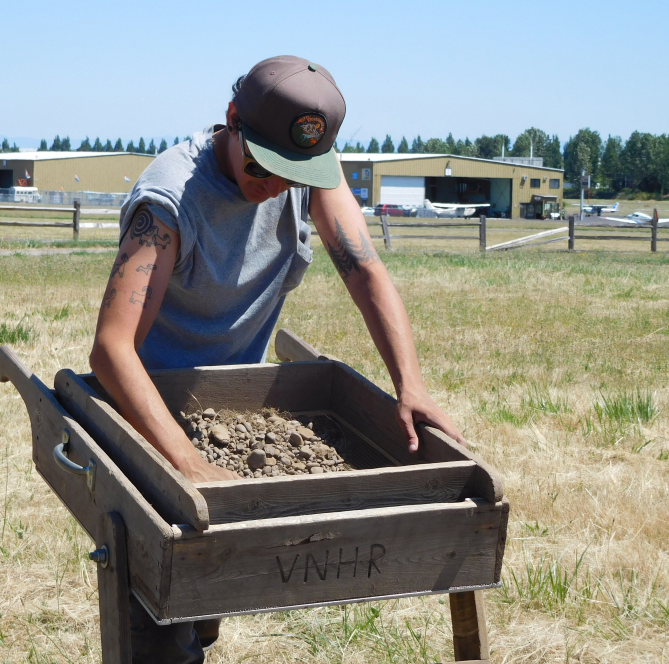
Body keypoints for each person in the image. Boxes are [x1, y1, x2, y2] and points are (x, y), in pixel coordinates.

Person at [89, 55, 464, 663]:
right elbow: (111, 347)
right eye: (264, 166)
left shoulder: (308, 172)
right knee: (159, 611)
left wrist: (410, 384)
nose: (276, 188)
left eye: (296, 174)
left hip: (234, 408)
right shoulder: (168, 202)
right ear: (232, 120)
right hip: (147, 409)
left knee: (215, 591)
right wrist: (185, 462)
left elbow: (363, 267)